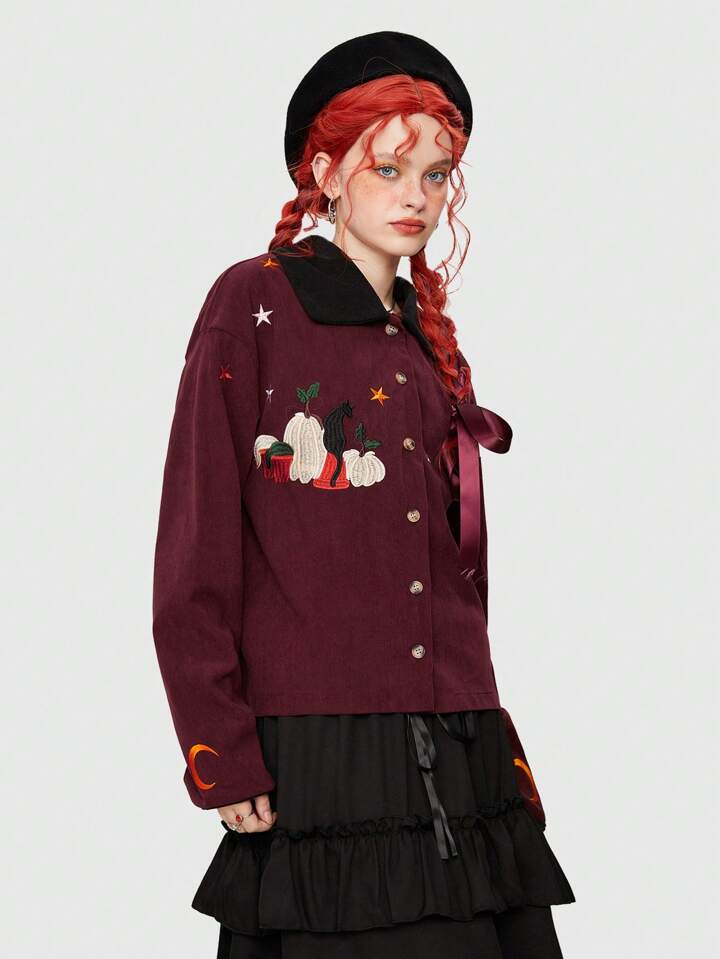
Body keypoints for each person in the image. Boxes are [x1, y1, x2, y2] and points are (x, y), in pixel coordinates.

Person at [152, 30, 576, 959]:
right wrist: (217, 743)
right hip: (326, 752)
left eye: (436, 174)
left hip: (461, 743)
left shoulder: (424, 343)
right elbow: (195, 549)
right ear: (326, 173)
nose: (416, 196)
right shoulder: (253, 306)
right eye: (389, 168)